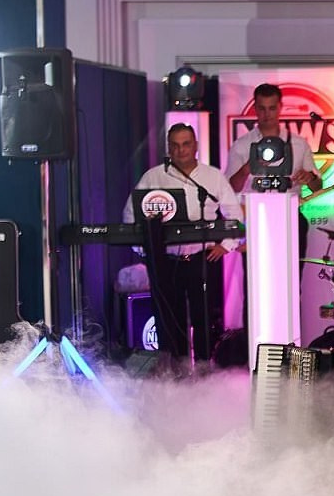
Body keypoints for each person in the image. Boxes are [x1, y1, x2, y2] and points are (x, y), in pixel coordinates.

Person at [123, 123, 243, 362]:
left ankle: (204, 369)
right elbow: (130, 215)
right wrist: (146, 251)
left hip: (203, 258)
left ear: (195, 146)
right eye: (175, 145)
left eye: (186, 144)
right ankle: (174, 369)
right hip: (166, 260)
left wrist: (226, 245)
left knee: (204, 317)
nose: (181, 150)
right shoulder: (154, 176)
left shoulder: (212, 176)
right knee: (169, 318)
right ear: (168, 148)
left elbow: (236, 217)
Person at [226, 83, 321, 195]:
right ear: (255, 108)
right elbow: (230, 189)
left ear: (280, 107)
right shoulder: (241, 145)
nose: (267, 114)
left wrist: (310, 177)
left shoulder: (299, 144)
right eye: (262, 108)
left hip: (289, 205)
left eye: (272, 108)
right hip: (253, 205)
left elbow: (317, 187)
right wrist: (245, 170)